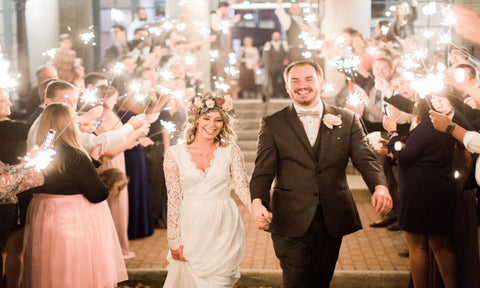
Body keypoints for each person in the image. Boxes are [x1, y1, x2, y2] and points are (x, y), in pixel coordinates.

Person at [249, 60, 391, 287]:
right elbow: (263, 171)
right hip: (289, 217)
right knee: (295, 280)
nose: (301, 85)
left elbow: (365, 158)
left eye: (308, 79)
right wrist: (257, 202)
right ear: (287, 86)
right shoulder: (272, 123)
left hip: (331, 217)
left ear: (321, 83)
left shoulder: (348, 119)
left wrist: (380, 186)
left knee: (320, 280)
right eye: (294, 80)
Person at [23, 103, 128, 287]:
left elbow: (61, 179)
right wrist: (90, 166)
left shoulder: (37, 153)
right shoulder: (74, 154)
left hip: (45, 214)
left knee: (53, 266)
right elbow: (97, 194)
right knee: (73, 266)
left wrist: (92, 162)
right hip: (72, 218)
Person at [163, 92, 251, 287]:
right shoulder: (174, 154)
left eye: (218, 120)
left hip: (224, 224)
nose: (212, 125)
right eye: (207, 118)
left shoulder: (231, 150)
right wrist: (173, 239)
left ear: (224, 123)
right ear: (196, 118)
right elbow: (174, 199)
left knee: (219, 281)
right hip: (191, 224)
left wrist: (257, 210)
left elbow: (243, 188)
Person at [383, 100, 457, 288]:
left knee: (417, 247)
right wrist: (393, 146)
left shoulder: (427, 125)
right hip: (440, 189)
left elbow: (405, 155)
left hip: (420, 192)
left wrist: (393, 133)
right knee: (442, 246)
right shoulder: (445, 125)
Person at [262, 31, 289, 100]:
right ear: (272, 37)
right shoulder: (268, 44)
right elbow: (265, 55)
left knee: (284, 80)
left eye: (277, 36)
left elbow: (287, 53)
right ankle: (275, 94)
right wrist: (267, 64)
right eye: (275, 36)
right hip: (272, 65)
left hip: (282, 65)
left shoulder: (284, 44)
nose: (276, 37)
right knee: (274, 81)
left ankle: (285, 94)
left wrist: (286, 60)